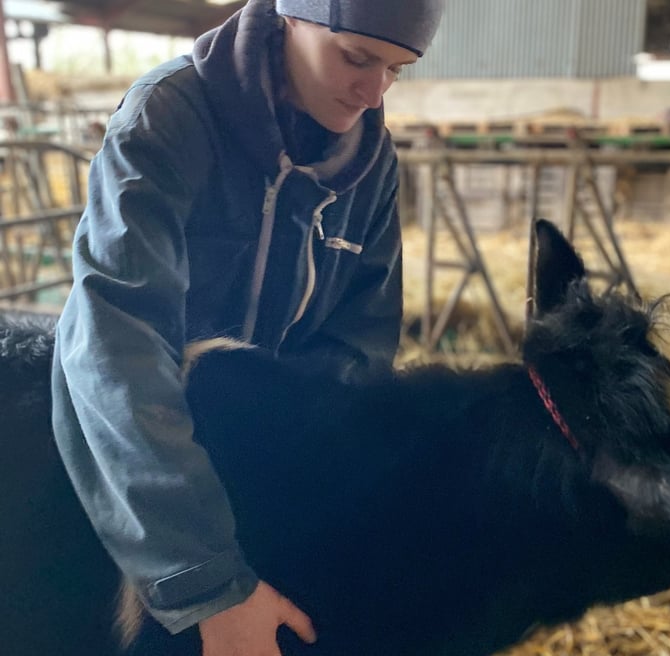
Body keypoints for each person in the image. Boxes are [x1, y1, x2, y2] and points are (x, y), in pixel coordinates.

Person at [50, 0, 445, 654]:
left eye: (398, 70)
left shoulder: (371, 164)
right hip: (149, 460)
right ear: (292, 15)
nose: (376, 93)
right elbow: (118, 345)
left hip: (253, 468)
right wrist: (207, 581)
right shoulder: (170, 116)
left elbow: (356, 356)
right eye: (357, 58)